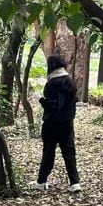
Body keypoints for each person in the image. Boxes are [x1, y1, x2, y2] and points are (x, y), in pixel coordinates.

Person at [30, 55, 81, 193]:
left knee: (48, 153)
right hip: (67, 123)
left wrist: (40, 98)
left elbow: (52, 106)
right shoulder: (70, 82)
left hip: (51, 124)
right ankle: (75, 183)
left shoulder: (51, 84)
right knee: (69, 152)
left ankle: (41, 181)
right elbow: (73, 101)